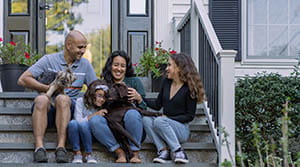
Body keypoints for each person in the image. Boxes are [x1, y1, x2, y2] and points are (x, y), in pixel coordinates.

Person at [18, 30, 98, 163]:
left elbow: (96, 88)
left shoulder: (85, 65)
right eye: (80, 47)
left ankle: (61, 147)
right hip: (46, 110)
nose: (83, 51)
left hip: (67, 108)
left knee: (63, 99)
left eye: (84, 47)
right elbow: (23, 79)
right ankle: (39, 148)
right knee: (41, 99)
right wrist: (48, 88)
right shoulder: (49, 60)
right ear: (68, 45)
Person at [143, 53, 205, 164]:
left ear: (179, 68)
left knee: (160, 121)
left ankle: (179, 151)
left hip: (181, 129)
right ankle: (163, 151)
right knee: (146, 120)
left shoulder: (189, 88)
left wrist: (169, 118)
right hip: (165, 123)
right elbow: (158, 104)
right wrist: (140, 99)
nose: (166, 68)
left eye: (169, 65)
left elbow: (189, 116)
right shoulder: (166, 82)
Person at [89, 50, 146, 163]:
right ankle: (119, 152)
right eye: (116, 65)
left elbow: (144, 109)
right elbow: (95, 105)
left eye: (122, 66)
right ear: (110, 66)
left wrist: (139, 98)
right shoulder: (103, 83)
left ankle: (134, 153)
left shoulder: (134, 82)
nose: (119, 69)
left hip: (133, 127)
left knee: (132, 113)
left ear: (126, 68)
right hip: (111, 128)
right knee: (95, 120)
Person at [68, 79, 109, 164]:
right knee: (72, 123)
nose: (102, 100)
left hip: (93, 134)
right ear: (92, 94)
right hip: (79, 132)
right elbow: (78, 120)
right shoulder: (80, 101)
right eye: (99, 96)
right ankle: (77, 153)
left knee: (83, 125)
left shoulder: (104, 106)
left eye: (104, 97)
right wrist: (94, 115)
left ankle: (88, 153)